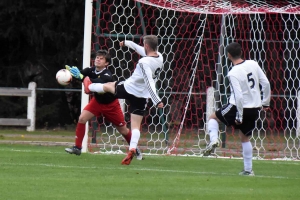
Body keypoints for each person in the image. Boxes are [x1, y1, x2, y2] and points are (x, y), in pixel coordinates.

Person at [83, 35, 164, 165]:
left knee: (109, 86)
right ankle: (132, 149)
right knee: (136, 126)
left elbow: (149, 82)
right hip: (142, 96)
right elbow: (139, 49)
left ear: (147, 46)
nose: (143, 46)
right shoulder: (159, 57)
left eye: (144, 45)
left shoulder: (143, 63)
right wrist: (127, 43)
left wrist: (157, 100)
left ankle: (89, 86)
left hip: (130, 88)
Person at [203, 42, 271, 176]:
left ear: (228, 55)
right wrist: (266, 102)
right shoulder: (253, 63)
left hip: (238, 107)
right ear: (241, 52)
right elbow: (266, 83)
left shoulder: (233, 73)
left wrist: (239, 116)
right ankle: (248, 170)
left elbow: (239, 96)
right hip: (254, 108)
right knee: (245, 138)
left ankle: (214, 139)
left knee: (213, 118)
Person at [64, 49, 142, 160]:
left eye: (101, 59)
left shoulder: (107, 75)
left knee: (123, 130)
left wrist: (82, 78)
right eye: (97, 58)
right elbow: (81, 76)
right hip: (97, 102)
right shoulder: (90, 70)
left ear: (106, 63)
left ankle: (134, 148)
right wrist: (70, 74)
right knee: (82, 118)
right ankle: (77, 147)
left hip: (111, 105)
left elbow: (94, 82)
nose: (98, 60)